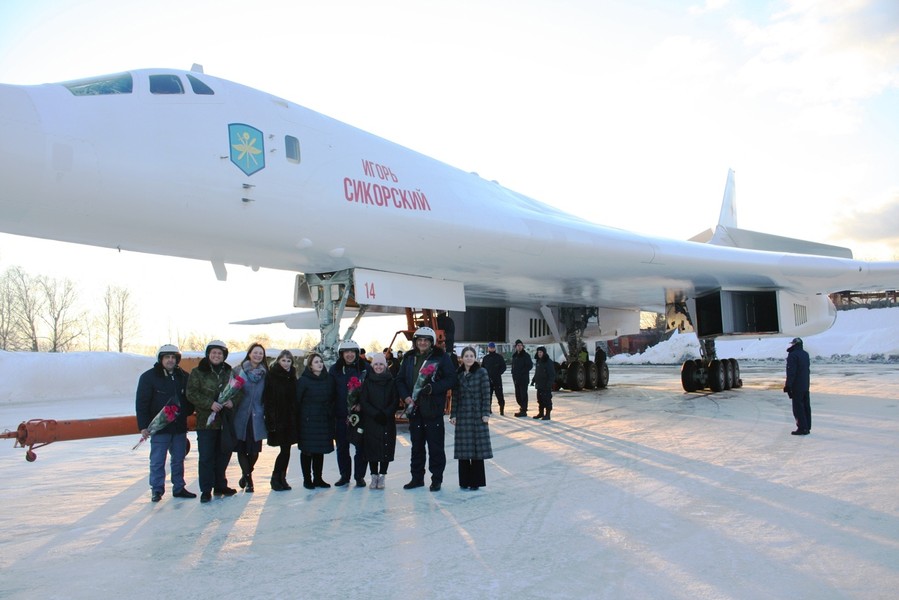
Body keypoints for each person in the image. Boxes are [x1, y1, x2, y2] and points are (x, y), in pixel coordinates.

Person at [396, 326, 457, 491]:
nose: (422, 343)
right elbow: (400, 379)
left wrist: (434, 388)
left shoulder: (441, 357)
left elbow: (451, 379)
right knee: (416, 446)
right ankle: (417, 478)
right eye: (419, 340)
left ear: (431, 342)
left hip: (433, 409)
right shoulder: (409, 358)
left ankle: (436, 479)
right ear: (415, 342)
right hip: (414, 408)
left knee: (435, 447)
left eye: (426, 340)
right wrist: (405, 396)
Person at [135, 344, 196, 502]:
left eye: (173, 357)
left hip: (179, 427)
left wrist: (186, 411)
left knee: (178, 459)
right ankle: (157, 489)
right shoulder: (149, 377)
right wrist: (143, 426)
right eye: (167, 357)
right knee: (157, 460)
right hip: (160, 427)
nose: (170, 360)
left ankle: (179, 487)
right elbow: (142, 403)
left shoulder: (183, 376)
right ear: (161, 359)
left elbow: (190, 397)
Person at [187, 340, 241, 503]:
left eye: (220, 353)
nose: (217, 356)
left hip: (224, 422)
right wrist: (209, 404)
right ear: (208, 354)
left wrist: (233, 402)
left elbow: (238, 390)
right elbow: (191, 393)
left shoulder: (228, 371)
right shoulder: (198, 372)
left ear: (224, 356)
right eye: (214, 353)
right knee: (206, 456)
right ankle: (206, 489)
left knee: (223, 454)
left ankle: (220, 485)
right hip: (206, 422)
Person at [450, 346, 493, 490]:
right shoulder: (458, 374)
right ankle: (464, 481)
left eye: (471, 355)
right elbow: (455, 397)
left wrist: (485, 413)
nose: (469, 358)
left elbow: (486, 394)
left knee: (476, 450)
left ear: (475, 358)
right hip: (462, 417)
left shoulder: (482, 372)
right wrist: (453, 414)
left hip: (477, 416)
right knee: (463, 451)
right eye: (466, 356)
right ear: (461, 358)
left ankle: (475, 482)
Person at [328, 340, 370, 487]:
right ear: (342, 354)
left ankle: (359, 476)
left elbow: (371, 390)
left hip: (360, 415)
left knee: (361, 447)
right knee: (342, 447)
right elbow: (330, 392)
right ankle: (344, 476)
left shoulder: (365, 368)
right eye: (347, 352)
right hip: (341, 415)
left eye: (353, 352)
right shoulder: (335, 370)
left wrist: (362, 404)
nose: (350, 354)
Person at [359, 352, 401, 489]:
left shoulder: (391, 381)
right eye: (376, 364)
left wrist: (387, 413)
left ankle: (382, 475)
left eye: (381, 364)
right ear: (372, 366)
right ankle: (373, 475)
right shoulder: (367, 381)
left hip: (386, 420)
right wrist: (375, 413)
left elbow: (395, 400)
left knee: (385, 448)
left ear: (385, 366)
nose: (378, 367)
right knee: (372, 449)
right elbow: (364, 400)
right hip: (372, 420)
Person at [296, 352, 337, 489]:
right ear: (310, 366)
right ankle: (307, 479)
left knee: (319, 450)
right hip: (308, 420)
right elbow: (297, 400)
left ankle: (318, 478)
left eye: (320, 361)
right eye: (316, 362)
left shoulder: (328, 379)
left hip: (323, 420)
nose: (319, 364)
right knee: (308, 451)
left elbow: (332, 398)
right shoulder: (303, 381)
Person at [233, 343, 268, 493]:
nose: (258, 355)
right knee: (241, 448)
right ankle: (249, 480)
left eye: (261, 353)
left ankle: (245, 474)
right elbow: (232, 391)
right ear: (249, 354)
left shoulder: (266, 374)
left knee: (254, 451)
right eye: (255, 352)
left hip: (258, 415)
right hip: (241, 415)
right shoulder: (238, 371)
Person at [264, 349, 299, 491]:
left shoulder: (292, 377)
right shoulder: (272, 376)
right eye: (283, 360)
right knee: (283, 451)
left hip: (290, 419)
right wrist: (271, 420)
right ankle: (275, 478)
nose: (286, 363)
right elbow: (269, 399)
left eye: (288, 360)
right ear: (278, 361)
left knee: (287, 450)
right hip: (278, 419)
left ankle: (282, 478)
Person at [784, 337, 811, 435]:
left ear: (794, 344)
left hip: (797, 386)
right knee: (806, 406)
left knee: (798, 407)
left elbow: (791, 372)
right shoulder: (805, 354)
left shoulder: (793, 355)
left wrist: (788, 386)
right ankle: (807, 426)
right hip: (805, 384)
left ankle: (802, 428)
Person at [481, 342, 507, 415]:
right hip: (488, 380)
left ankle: (501, 409)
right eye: (490, 347)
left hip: (497, 380)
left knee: (499, 395)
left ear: (495, 348)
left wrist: (498, 373)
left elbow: (503, 367)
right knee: (488, 396)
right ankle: (488, 409)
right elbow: (482, 368)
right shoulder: (486, 358)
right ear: (488, 348)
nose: (491, 349)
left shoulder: (499, 357)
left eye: (492, 347)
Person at [532, 346, 556, 420]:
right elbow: (537, 372)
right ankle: (541, 413)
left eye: (541, 352)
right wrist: (534, 380)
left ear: (544, 353)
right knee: (540, 399)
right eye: (538, 352)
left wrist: (549, 383)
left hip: (546, 385)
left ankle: (548, 414)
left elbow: (552, 374)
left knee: (547, 399)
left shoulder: (548, 362)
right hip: (539, 384)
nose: (539, 354)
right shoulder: (538, 361)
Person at [510, 339, 533, 417]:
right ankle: (522, 407)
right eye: (518, 345)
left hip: (523, 379)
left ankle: (523, 410)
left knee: (523, 395)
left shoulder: (526, 355)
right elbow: (513, 367)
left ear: (523, 346)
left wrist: (522, 372)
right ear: (516, 347)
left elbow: (530, 365)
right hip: (516, 379)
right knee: (518, 395)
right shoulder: (515, 356)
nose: (519, 347)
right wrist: (513, 373)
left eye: (520, 345)